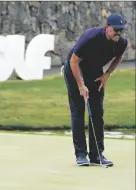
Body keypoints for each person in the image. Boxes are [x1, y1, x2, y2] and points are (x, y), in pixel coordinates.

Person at [63, 13, 128, 166]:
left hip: (95, 73)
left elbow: (118, 57)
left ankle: (97, 155)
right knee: (78, 110)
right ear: (107, 28)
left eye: (121, 30)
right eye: (115, 30)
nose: (118, 34)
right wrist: (81, 85)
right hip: (75, 71)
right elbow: (74, 61)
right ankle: (80, 155)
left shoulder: (121, 43)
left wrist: (107, 74)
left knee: (97, 112)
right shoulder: (90, 37)